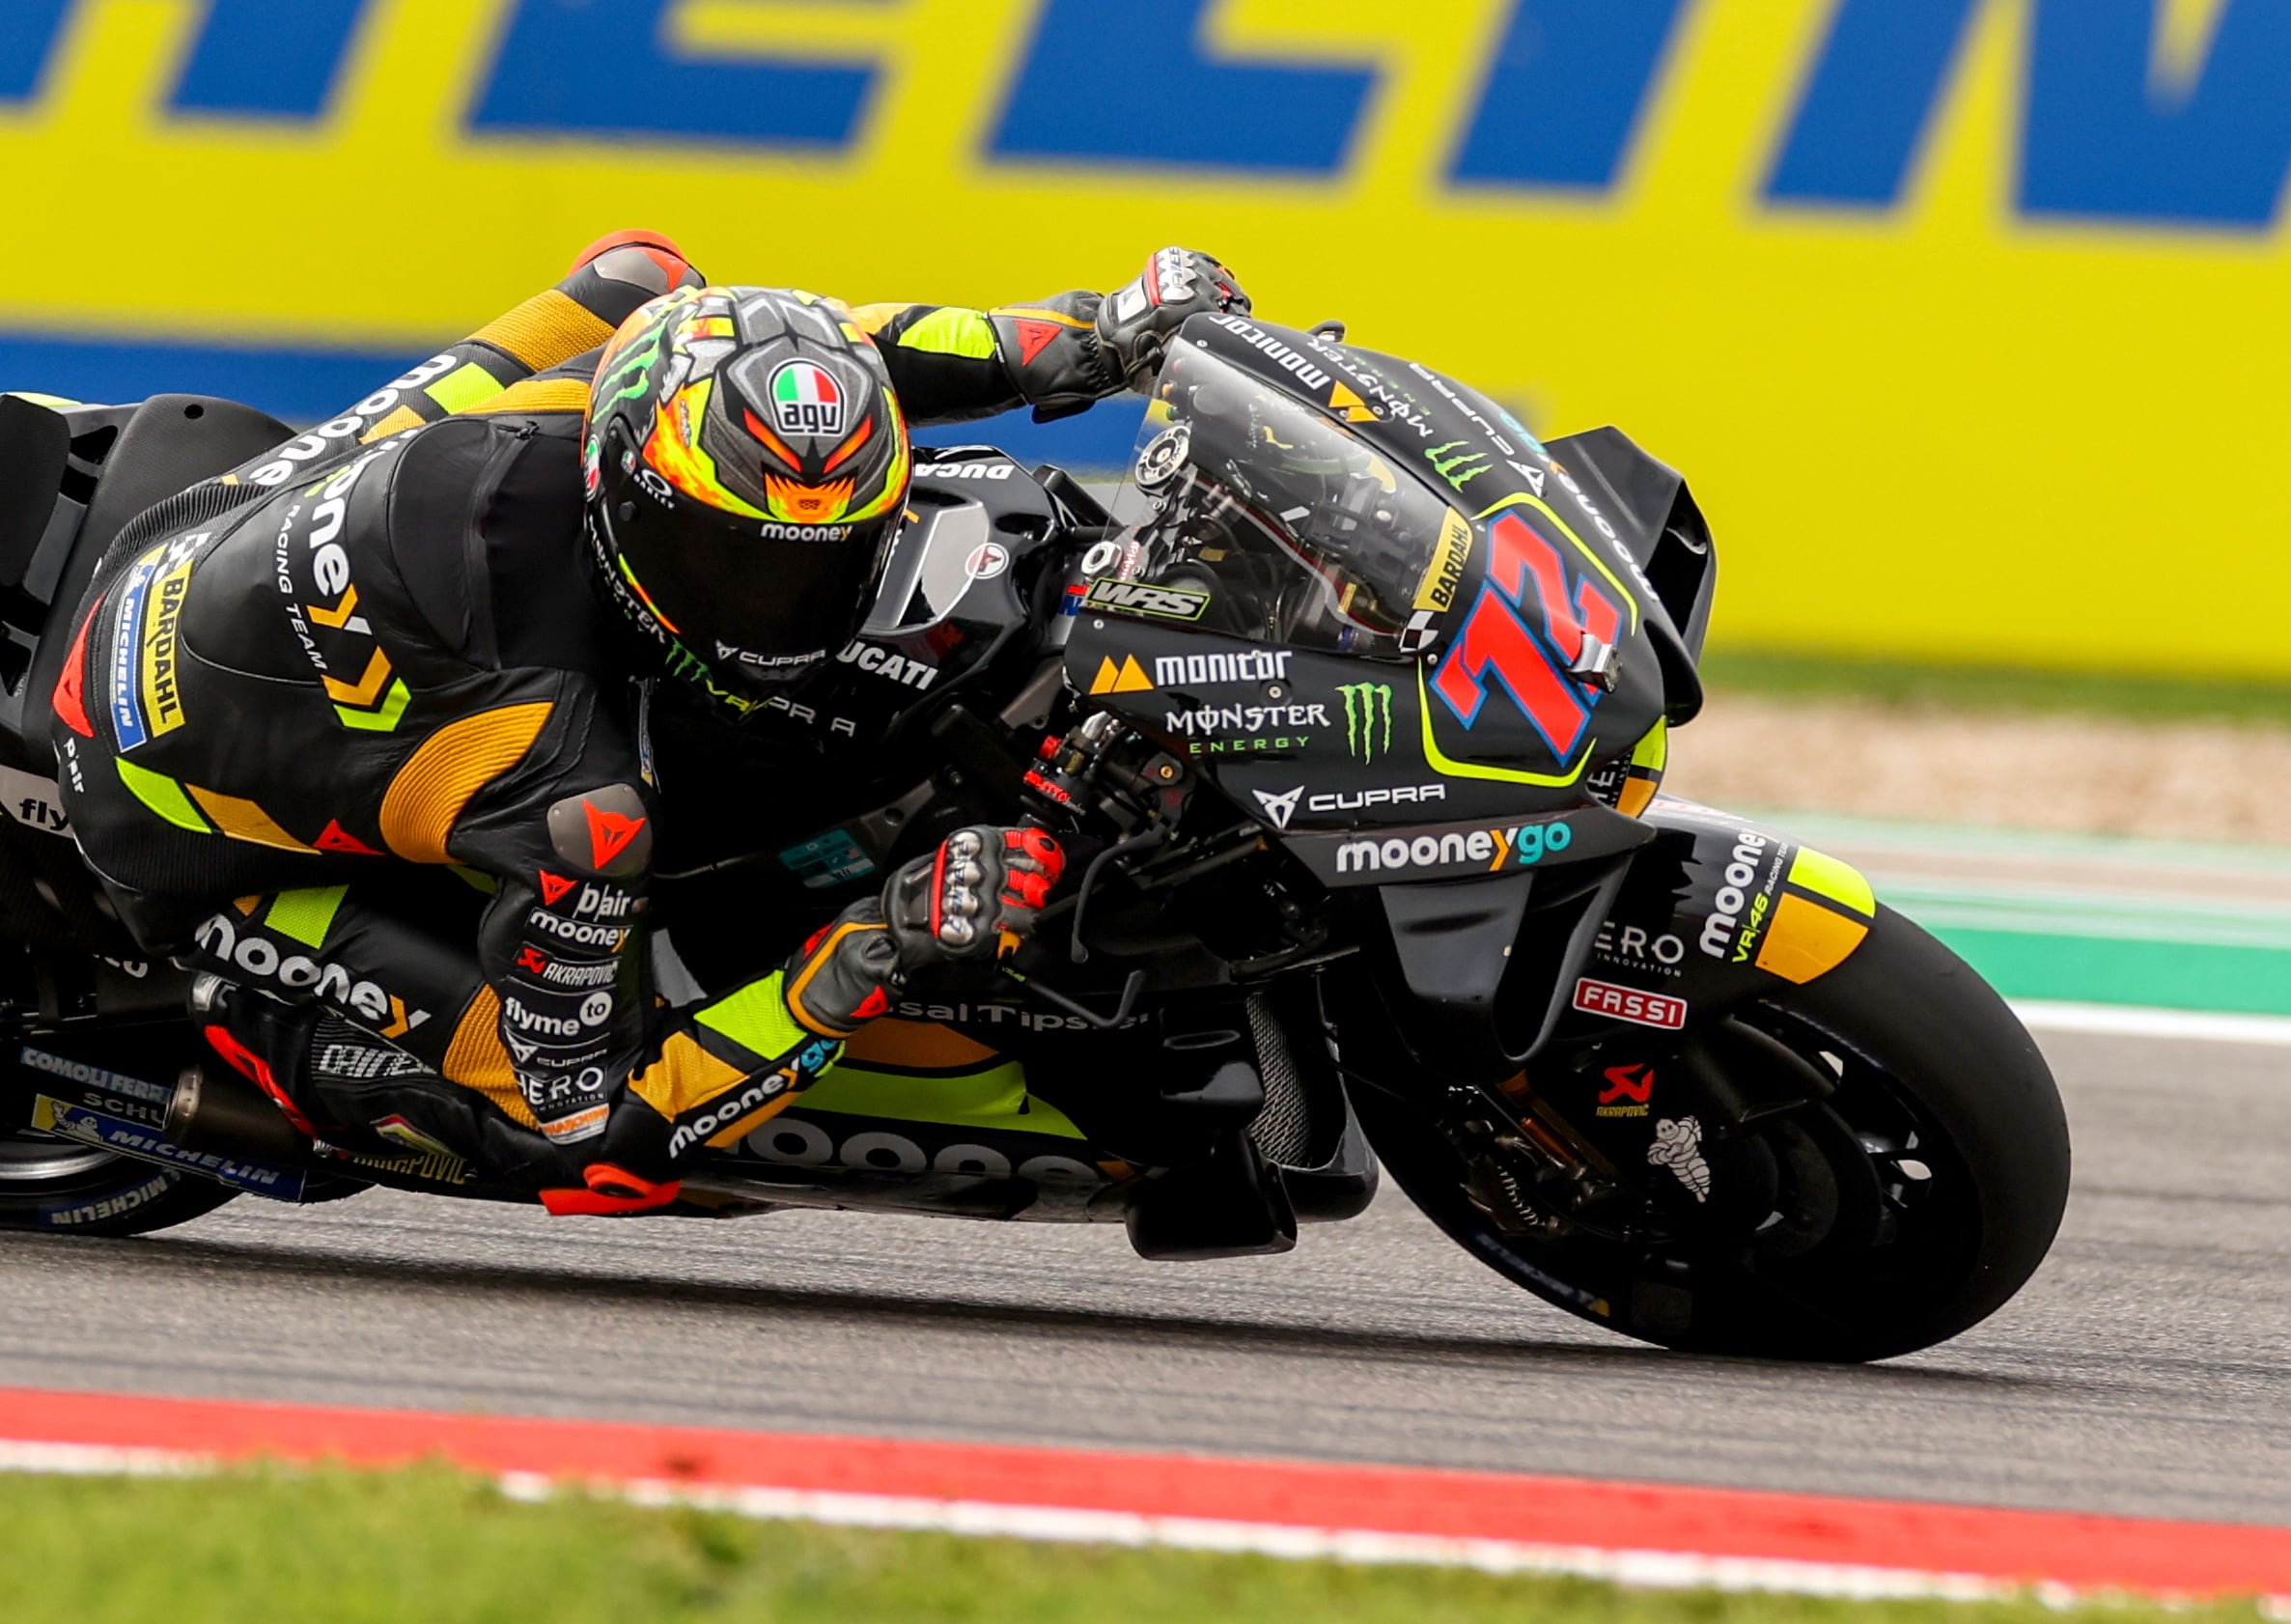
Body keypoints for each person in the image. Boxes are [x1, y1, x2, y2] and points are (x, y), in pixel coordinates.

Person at [51, 233, 1249, 1211]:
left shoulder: (629, 402)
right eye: (733, 565)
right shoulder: (568, 782)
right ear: (634, 500)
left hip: (213, 523)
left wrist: (1096, 335)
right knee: (543, 1125)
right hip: (163, 809)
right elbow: (602, 1128)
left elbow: (857, 350)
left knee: (649, 285)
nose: (781, 612)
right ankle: (284, 1034)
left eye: (824, 564)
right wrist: (881, 937)